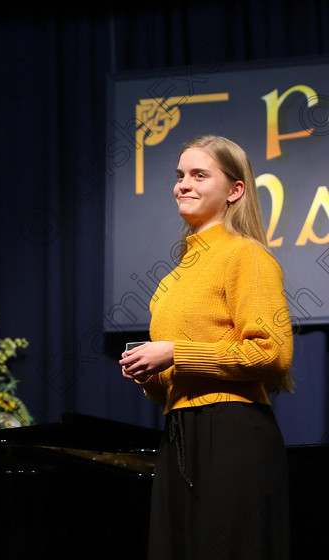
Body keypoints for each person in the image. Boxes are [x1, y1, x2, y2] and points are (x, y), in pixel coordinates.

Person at [119, 135, 294, 559]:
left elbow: (272, 352)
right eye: (180, 176)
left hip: (233, 434)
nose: (184, 184)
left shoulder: (245, 256)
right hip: (179, 434)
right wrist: (151, 373)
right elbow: (171, 383)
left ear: (235, 190)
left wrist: (176, 353)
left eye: (200, 175)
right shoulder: (171, 280)